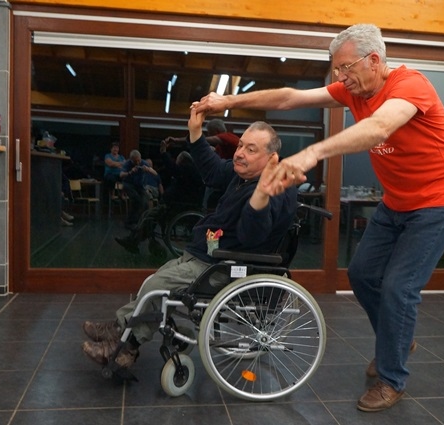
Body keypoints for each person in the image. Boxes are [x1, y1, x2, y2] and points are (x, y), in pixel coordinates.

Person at [194, 23, 444, 413]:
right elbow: (290, 97)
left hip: (439, 203)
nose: (340, 78)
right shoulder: (354, 89)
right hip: (397, 203)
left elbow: (377, 129)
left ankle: (392, 378)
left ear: (374, 61)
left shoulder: (411, 86)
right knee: (360, 274)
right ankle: (398, 335)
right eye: (335, 70)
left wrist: (311, 154)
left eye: (346, 68)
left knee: (397, 288)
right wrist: (227, 103)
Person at [82, 109, 298, 369]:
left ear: (271, 158)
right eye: (241, 145)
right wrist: (195, 133)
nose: (239, 153)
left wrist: (260, 199)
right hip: (208, 253)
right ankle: (120, 326)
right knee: (155, 281)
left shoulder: (274, 188)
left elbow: (253, 236)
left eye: (251, 150)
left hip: (227, 264)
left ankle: (125, 348)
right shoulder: (245, 174)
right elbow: (214, 170)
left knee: (158, 286)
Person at [120, 150, 160, 229]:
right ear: (131, 160)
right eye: (135, 161)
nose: (138, 163)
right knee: (136, 200)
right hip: (129, 185)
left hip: (140, 186)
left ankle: (140, 221)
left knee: (144, 202)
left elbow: (155, 173)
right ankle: (130, 222)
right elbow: (121, 175)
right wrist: (130, 172)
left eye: (139, 160)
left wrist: (148, 169)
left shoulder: (144, 163)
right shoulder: (127, 164)